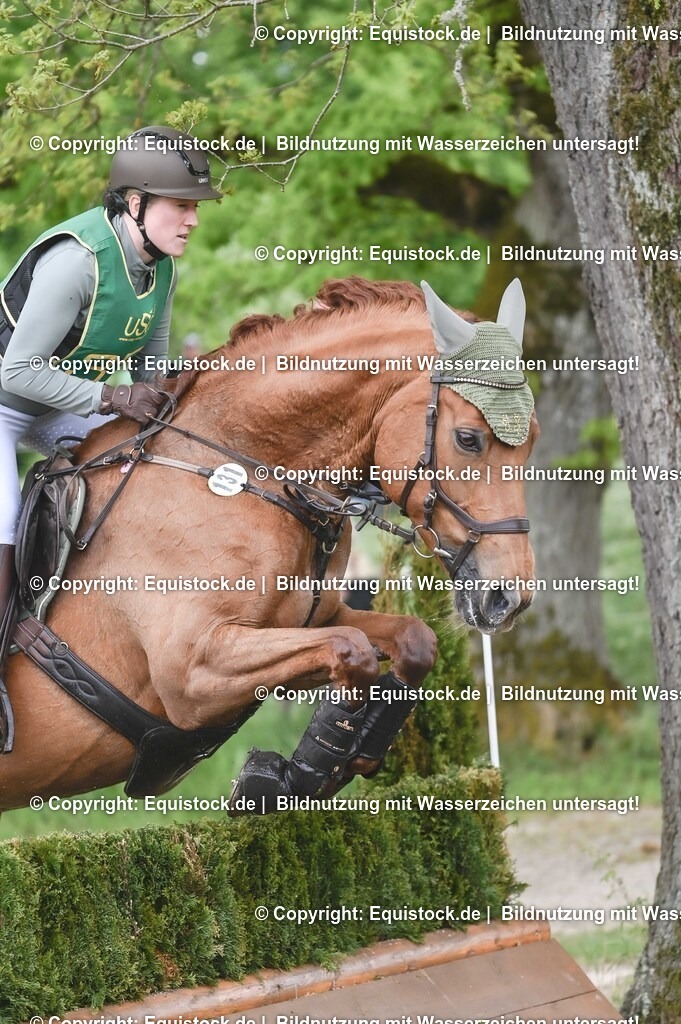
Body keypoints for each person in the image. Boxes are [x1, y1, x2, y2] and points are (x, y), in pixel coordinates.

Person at [0, 125, 222, 744]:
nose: (192, 221)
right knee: (4, 513)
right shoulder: (75, 264)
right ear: (135, 203)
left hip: (57, 406)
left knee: (152, 461)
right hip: (2, 403)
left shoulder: (159, 270)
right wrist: (108, 396)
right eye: (181, 205)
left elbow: (152, 374)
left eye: (193, 207)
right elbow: (15, 369)